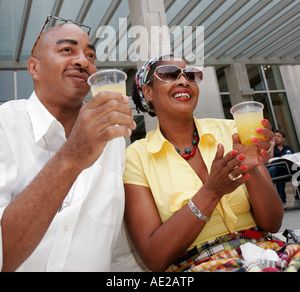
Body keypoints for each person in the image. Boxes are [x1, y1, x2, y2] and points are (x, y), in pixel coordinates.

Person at [123, 55, 300, 272]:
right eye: (169, 74)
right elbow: (154, 258)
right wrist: (212, 191)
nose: (183, 80)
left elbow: (273, 223)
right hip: (197, 265)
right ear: (148, 92)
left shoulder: (232, 131)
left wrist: (250, 170)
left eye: (190, 75)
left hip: (265, 252)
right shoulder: (136, 157)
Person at [0, 16, 136, 272]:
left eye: (91, 56)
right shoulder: (4, 126)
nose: (83, 61)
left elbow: (117, 249)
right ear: (34, 68)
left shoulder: (114, 139)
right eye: (66, 50)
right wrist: (72, 156)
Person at [267, 130, 294, 204]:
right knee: (275, 170)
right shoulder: (271, 149)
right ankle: (282, 200)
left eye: (278, 136)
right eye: (275, 136)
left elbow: (292, 159)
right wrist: (272, 147)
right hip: (277, 169)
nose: (276, 138)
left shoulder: (287, 149)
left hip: (287, 168)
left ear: (283, 139)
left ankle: (298, 197)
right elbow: (269, 160)